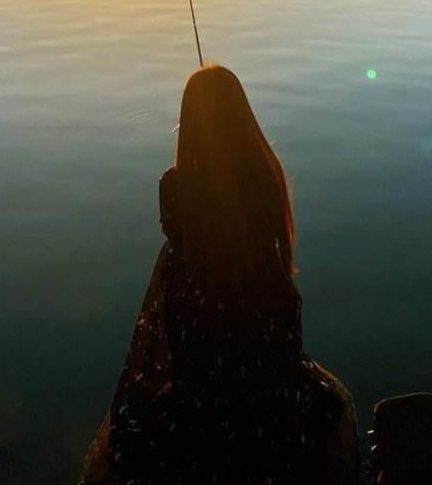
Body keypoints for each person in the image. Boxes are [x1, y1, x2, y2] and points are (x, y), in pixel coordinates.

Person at [82, 64, 358, 485]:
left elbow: (174, 235)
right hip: (264, 335)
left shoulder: (174, 187)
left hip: (201, 335)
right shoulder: (267, 175)